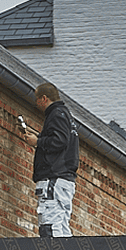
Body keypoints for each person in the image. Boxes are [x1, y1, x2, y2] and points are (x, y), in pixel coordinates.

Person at [32, 82, 78, 237]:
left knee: (50, 226)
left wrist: (38, 142)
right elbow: (62, 139)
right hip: (64, 179)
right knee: (62, 227)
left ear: (44, 98)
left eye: (37, 99)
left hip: (54, 179)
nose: (36, 103)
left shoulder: (56, 114)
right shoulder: (66, 115)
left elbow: (59, 141)